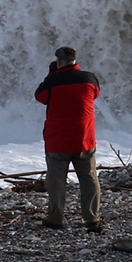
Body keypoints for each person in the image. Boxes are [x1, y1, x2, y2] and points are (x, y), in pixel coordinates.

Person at [34, 46, 102, 233]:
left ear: (58, 62)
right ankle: (92, 219)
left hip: (58, 142)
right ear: (75, 60)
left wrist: (50, 75)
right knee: (89, 179)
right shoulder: (89, 78)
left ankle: (56, 219)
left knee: (56, 182)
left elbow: (40, 97)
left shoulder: (52, 81)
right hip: (84, 139)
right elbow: (95, 94)